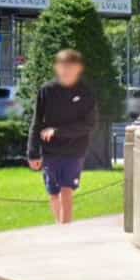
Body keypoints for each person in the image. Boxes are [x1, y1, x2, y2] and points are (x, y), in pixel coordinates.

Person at [28, 48, 101, 224]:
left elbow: (89, 124)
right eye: (62, 66)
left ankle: (65, 231)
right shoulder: (47, 90)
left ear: (79, 69)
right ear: (57, 68)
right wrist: (32, 152)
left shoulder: (86, 93)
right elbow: (36, 121)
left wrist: (58, 131)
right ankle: (59, 226)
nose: (66, 71)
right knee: (53, 192)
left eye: (71, 67)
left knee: (66, 190)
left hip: (74, 150)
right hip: (50, 151)